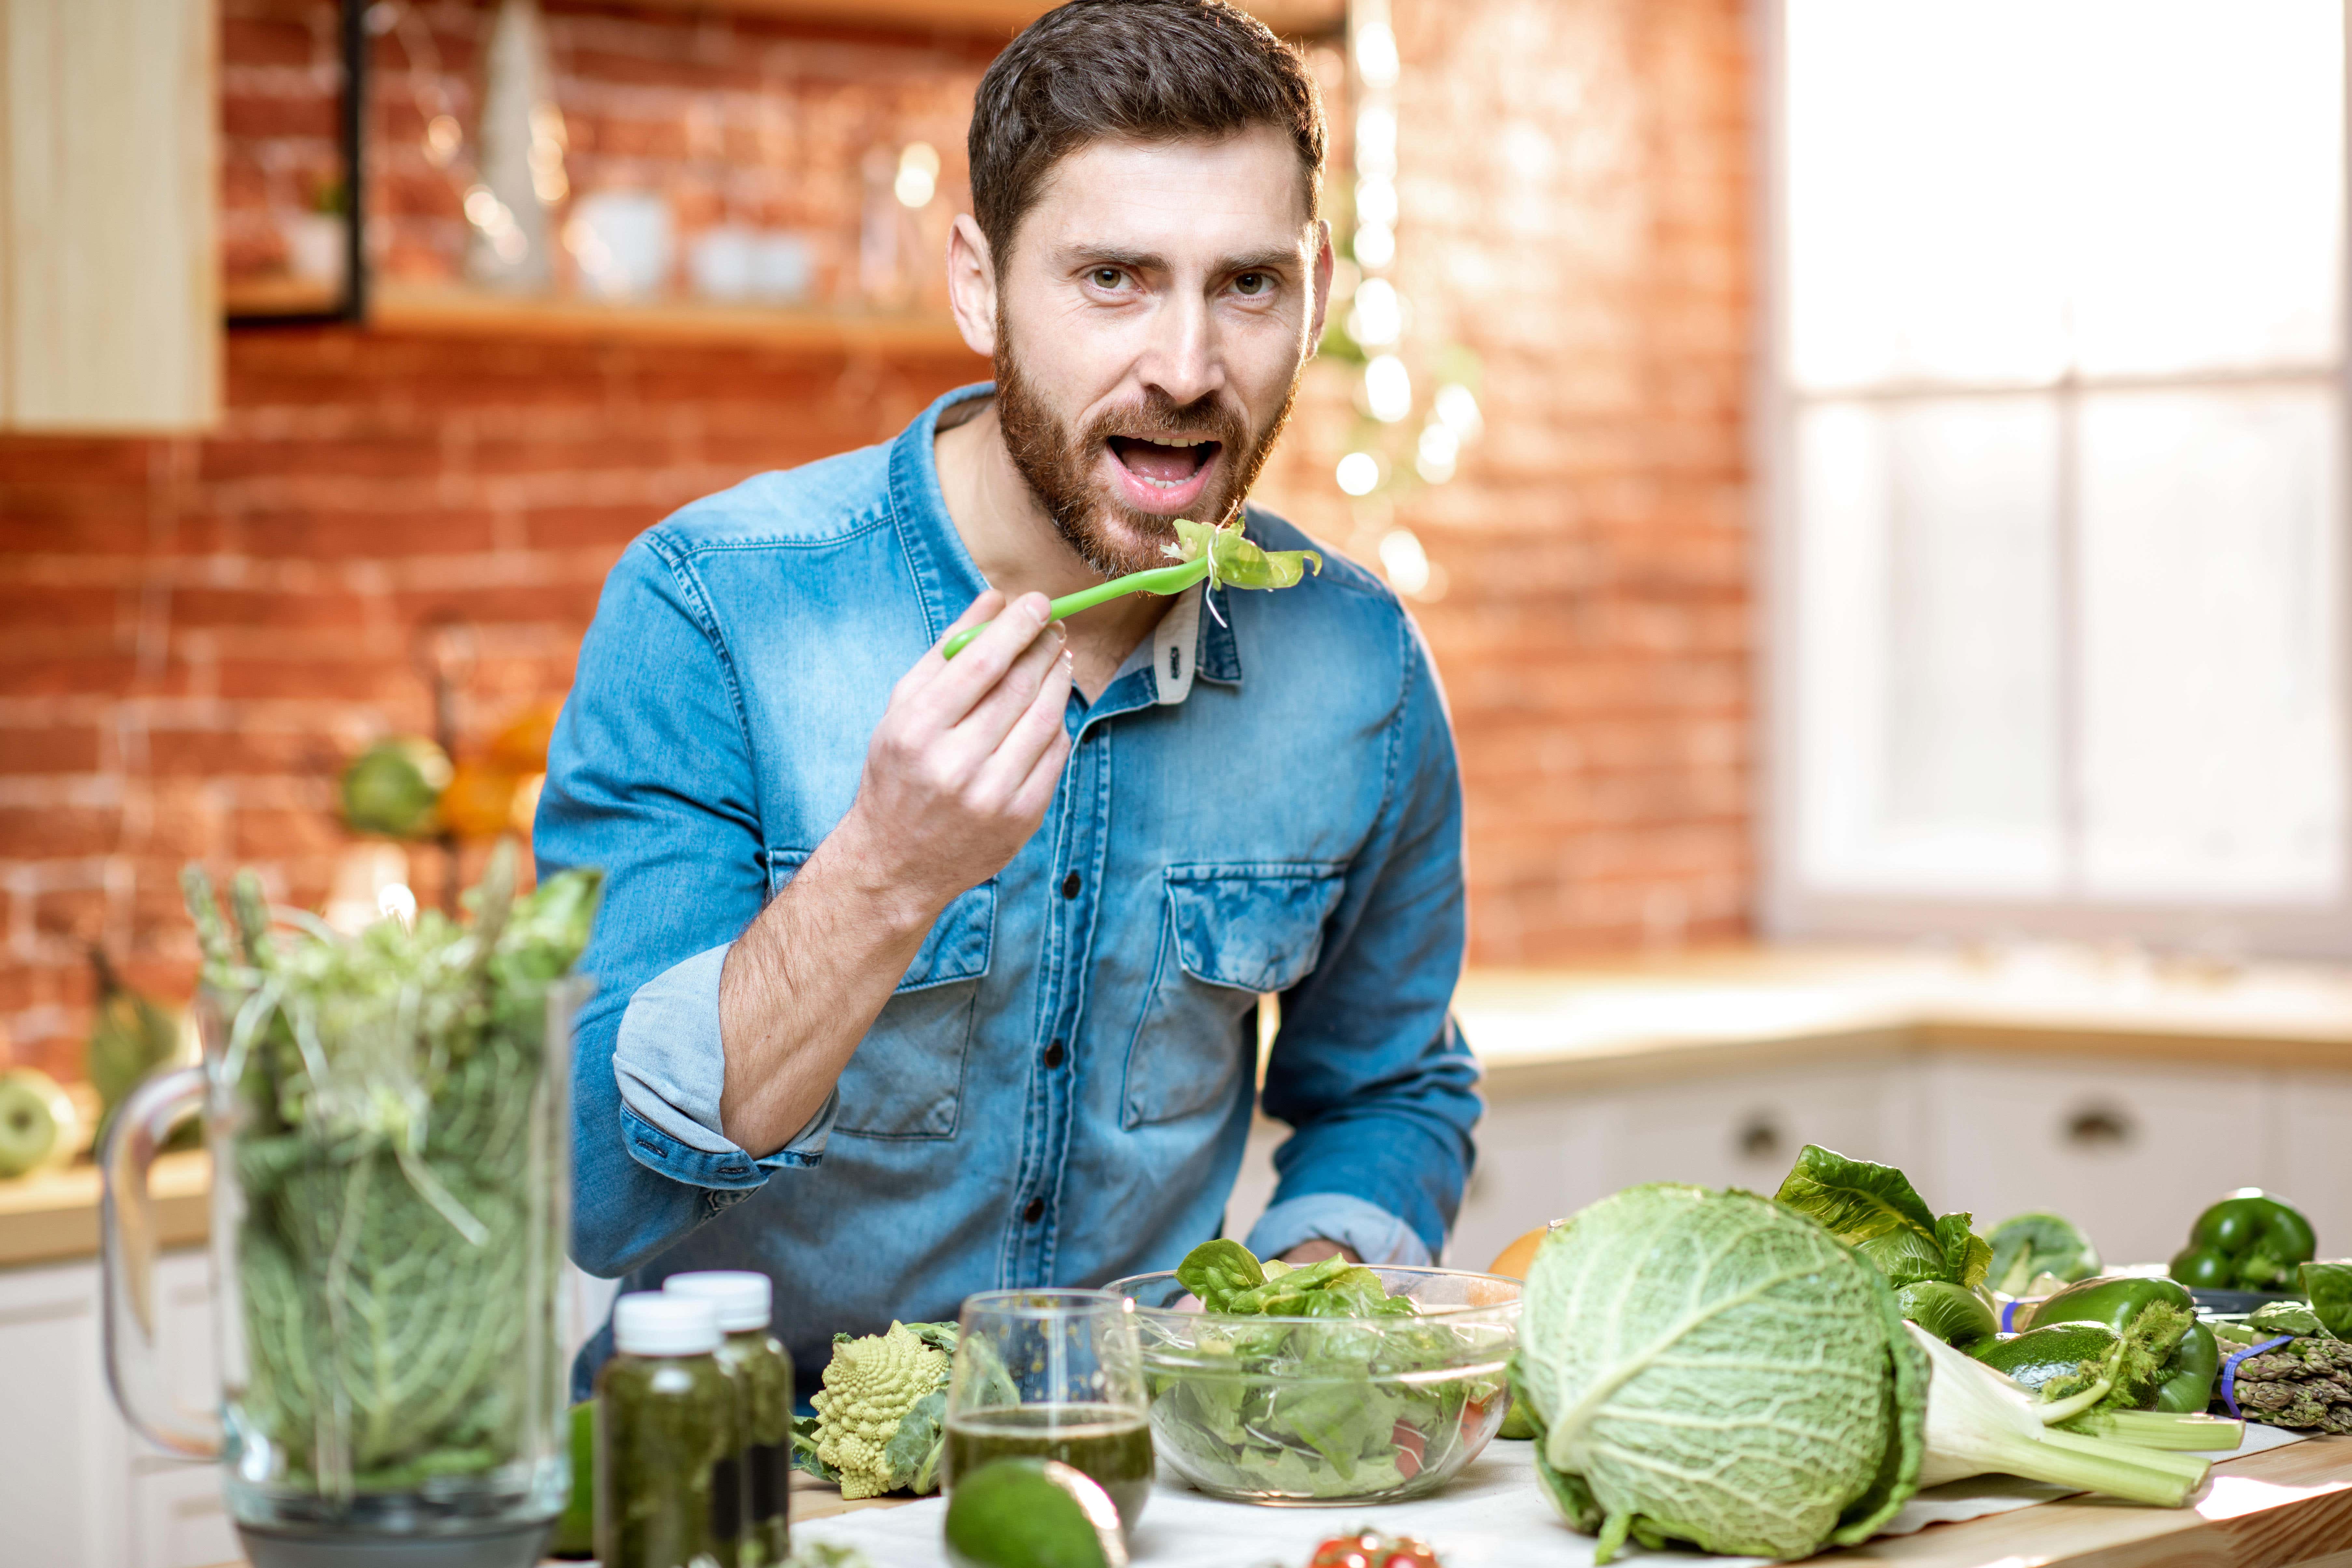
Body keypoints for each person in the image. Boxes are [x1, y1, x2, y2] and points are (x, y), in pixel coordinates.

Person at [538, 0, 1480, 1383]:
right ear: (979, 284)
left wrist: (1291, 1308)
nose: (1184, 365)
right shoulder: (713, 607)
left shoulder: (1357, 662)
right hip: (746, 1488)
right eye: (1112, 277)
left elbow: (1389, 1088)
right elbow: (594, 1193)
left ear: (1317, 290)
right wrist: (883, 872)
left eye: (1246, 284)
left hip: (1132, 1486)